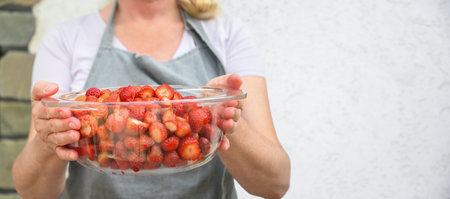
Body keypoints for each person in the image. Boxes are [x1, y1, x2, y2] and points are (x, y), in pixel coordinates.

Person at [12, 0, 291, 198]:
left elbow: (275, 183)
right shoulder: (65, 40)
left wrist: (223, 118)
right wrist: (50, 138)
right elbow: (33, 192)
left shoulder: (228, 34)